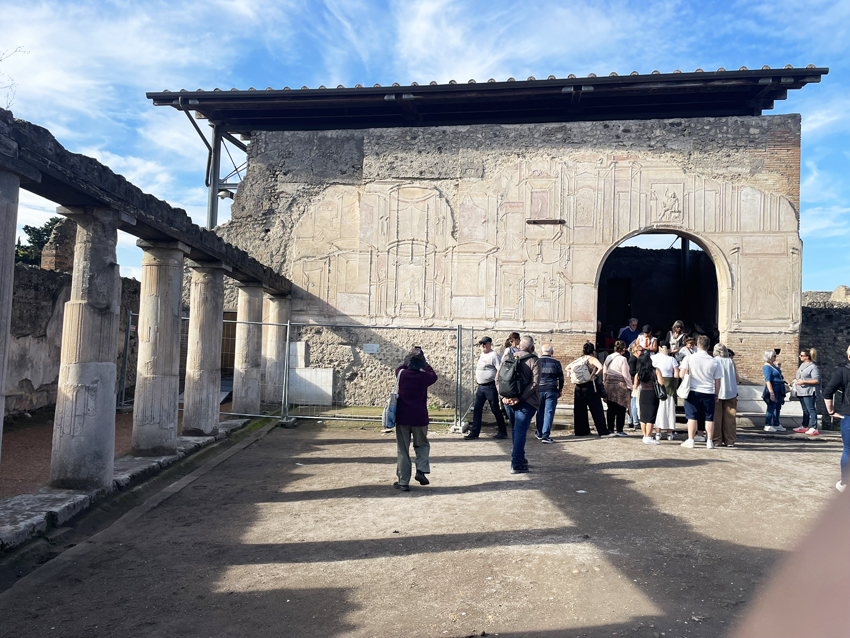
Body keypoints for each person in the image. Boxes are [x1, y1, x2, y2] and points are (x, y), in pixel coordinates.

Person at [393, 348, 438, 491]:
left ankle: (403, 481)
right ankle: (421, 470)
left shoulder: (401, 374)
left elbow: (401, 366)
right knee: (422, 445)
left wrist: (410, 357)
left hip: (403, 417)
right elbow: (433, 375)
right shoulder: (424, 377)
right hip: (420, 417)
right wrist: (424, 362)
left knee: (403, 450)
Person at [501, 336, 539, 474]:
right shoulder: (534, 360)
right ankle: (516, 463)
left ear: (519, 346)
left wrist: (504, 396)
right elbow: (535, 383)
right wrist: (519, 398)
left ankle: (520, 459)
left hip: (508, 401)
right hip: (526, 402)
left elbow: (498, 378)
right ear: (532, 348)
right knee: (520, 432)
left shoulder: (508, 357)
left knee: (515, 431)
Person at [679, 335, 722, 449]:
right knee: (709, 417)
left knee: (692, 417)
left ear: (697, 345)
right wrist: (716, 395)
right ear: (708, 347)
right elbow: (717, 381)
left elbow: (681, 375)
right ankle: (709, 441)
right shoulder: (714, 362)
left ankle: (691, 440)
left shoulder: (689, 358)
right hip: (709, 392)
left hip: (693, 390)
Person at [566, 343, 613, 437]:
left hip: (578, 386)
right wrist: (594, 376)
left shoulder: (579, 359)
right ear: (593, 351)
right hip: (589, 386)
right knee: (596, 408)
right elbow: (600, 367)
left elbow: (567, 367)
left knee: (579, 410)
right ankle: (603, 431)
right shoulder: (591, 359)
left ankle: (581, 431)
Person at [466, 336, 507, 440]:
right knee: (477, 409)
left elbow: (500, 370)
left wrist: (498, 383)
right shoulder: (482, 355)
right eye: (481, 344)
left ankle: (502, 431)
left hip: (490, 386)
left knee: (495, 409)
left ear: (489, 344)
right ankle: (475, 433)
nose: (482, 346)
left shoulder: (494, 355)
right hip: (481, 387)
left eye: (484, 344)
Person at [822, 345, 850, 492]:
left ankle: (844, 483)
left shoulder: (843, 372)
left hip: (849, 415)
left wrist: (831, 411)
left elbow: (828, 392)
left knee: (848, 450)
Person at [633, 350, 665, 445]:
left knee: (643, 417)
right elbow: (661, 382)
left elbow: (635, 386)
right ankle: (648, 436)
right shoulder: (655, 371)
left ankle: (645, 436)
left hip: (643, 394)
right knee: (651, 417)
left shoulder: (638, 374)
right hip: (653, 394)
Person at [535, 344, 564, 444]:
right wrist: (560, 389)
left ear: (541, 352)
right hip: (551, 390)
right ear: (552, 352)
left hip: (539, 390)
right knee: (549, 413)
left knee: (539, 411)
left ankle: (539, 433)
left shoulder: (536, 362)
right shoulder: (556, 363)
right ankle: (545, 436)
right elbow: (561, 378)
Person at [602, 340, 631, 437]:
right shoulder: (623, 359)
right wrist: (630, 386)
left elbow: (604, 372)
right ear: (623, 349)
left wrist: (604, 382)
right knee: (621, 408)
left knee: (610, 408)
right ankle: (619, 429)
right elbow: (625, 374)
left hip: (609, 385)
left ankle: (610, 429)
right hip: (620, 386)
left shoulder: (608, 357)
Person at [713, 343, 739, 447]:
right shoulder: (731, 361)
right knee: (730, 418)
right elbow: (736, 377)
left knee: (716, 417)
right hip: (731, 391)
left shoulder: (714, 361)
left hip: (718, 391)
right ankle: (730, 440)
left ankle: (717, 440)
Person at [651, 342, 679, 440]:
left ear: (659, 348)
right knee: (669, 410)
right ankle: (669, 433)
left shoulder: (652, 358)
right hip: (669, 387)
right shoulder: (672, 359)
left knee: (658, 409)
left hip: (656, 387)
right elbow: (676, 375)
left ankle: (657, 433)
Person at [792, 348, 821, 436]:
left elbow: (816, 380)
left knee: (811, 409)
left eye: (802, 355)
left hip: (809, 392)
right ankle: (804, 425)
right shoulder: (802, 365)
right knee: (805, 410)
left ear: (807, 357)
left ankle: (814, 427)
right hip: (801, 391)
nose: (799, 356)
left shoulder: (813, 367)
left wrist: (804, 382)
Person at [501, 332, 522, 427]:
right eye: (518, 339)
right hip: (509, 374)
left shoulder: (519, 349)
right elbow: (503, 362)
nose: (519, 341)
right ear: (515, 340)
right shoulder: (508, 350)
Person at [763, 350, 786, 433]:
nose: (775, 357)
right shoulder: (767, 367)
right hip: (773, 387)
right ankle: (768, 424)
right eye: (774, 356)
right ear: (769, 357)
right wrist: (771, 393)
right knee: (771, 406)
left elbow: (778, 375)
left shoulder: (772, 365)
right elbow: (768, 380)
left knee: (777, 406)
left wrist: (778, 367)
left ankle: (776, 423)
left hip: (779, 388)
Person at [627, 340, 644, 429]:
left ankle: (630, 421)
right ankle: (635, 422)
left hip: (634, 381)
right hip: (634, 382)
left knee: (633, 402)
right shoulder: (633, 359)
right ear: (636, 351)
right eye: (641, 350)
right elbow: (631, 372)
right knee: (634, 403)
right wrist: (639, 374)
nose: (643, 352)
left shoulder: (635, 359)